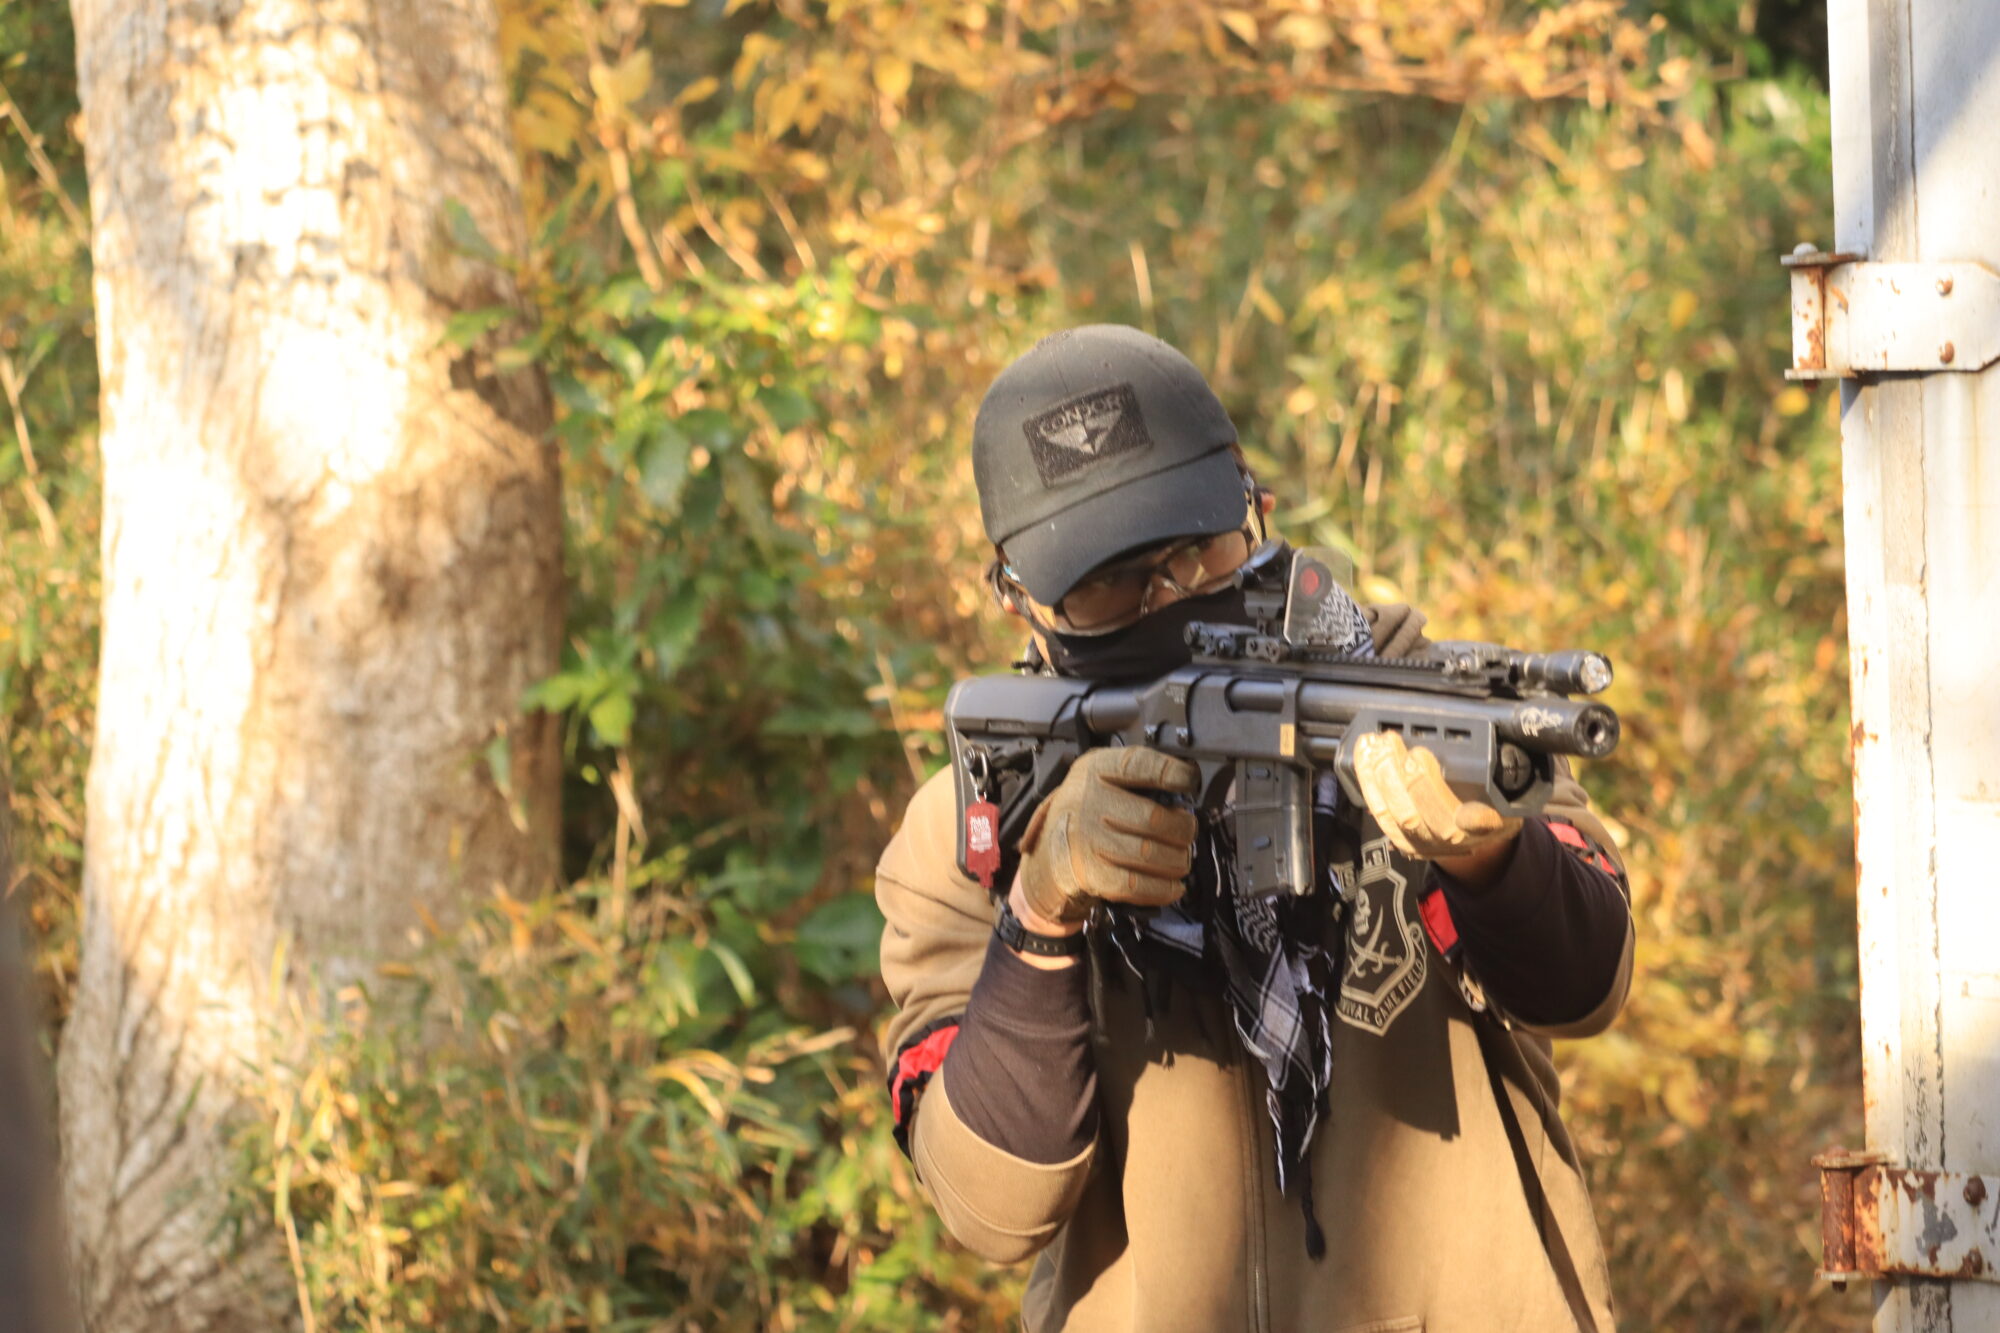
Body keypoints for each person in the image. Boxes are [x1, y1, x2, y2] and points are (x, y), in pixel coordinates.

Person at [876, 325, 1633, 1332]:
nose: (1169, 599)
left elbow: (1585, 985)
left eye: (1199, 551)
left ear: (1254, 507)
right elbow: (990, 1205)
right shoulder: (970, 827)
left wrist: (1492, 857)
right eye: (1106, 585)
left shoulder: (1425, 709)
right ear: (1022, 600)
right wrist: (1040, 912)